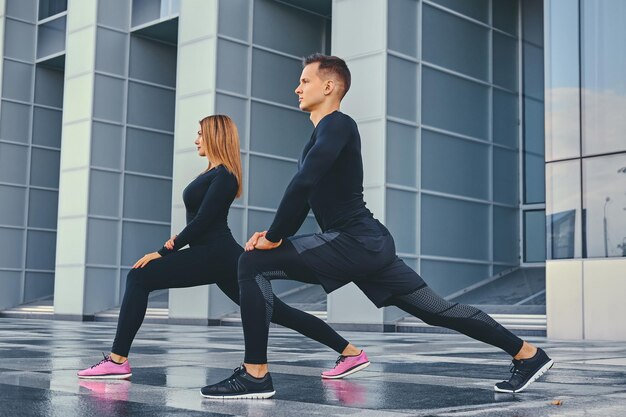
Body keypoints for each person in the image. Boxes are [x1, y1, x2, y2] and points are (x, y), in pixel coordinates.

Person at [200, 54, 554, 399]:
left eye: (304, 80)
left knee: (250, 263)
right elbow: (305, 194)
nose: (297, 88)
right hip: (366, 244)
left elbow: (303, 183)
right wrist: (275, 236)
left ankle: (256, 374)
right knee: (435, 310)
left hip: (354, 241)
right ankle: (527, 354)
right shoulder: (321, 135)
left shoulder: (338, 123)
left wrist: (274, 237)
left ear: (329, 85)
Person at [77, 115, 369, 382]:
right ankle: (351, 352)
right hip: (219, 255)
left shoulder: (226, 176)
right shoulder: (213, 173)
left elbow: (204, 221)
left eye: (200, 134)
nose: (196, 140)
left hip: (215, 253)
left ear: (215, 136)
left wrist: (165, 251)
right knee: (278, 311)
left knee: (139, 277)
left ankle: (117, 361)